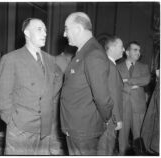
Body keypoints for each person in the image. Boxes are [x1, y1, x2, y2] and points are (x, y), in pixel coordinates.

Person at [0, 18, 62, 155]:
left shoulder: (50, 59)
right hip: (21, 128)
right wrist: (12, 121)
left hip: (45, 127)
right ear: (27, 32)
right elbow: (3, 96)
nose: (44, 33)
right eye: (39, 29)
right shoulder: (11, 59)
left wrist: (48, 101)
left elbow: (58, 80)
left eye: (45, 30)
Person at [60, 12, 114, 155]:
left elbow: (102, 97)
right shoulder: (84, 52)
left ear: (77, 28)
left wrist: (106, 118)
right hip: (77, 127)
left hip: (83, 130)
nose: (65, 34)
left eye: (67, 29)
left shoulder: (93, 53)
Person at [117, 41, 151, 155]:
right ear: (127, 52)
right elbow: (116, 84)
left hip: (138, 108)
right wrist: (135, 85)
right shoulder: (118, 67)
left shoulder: (144, 67)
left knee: (139, 138)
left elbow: (146, 80)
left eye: (139, 50)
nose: (138, 52)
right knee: (122, 138)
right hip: (123, 107)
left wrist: (127, 81)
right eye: (135, 50)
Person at [97, 36, 124, 155]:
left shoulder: (106, 64)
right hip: (109, 120)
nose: (123, 49)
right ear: (112, 48)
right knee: (106, 151)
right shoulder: (111, 67)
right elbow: (112, 95)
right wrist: (117, 119)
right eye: (121, 46)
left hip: (104, 118)